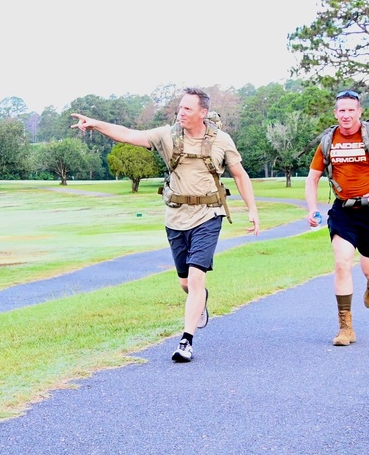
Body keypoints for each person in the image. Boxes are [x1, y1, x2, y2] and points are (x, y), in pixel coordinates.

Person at [71, 87, 260, 363]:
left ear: (202, 113)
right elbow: (129, 135)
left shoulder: (221, 140)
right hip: (175, 217)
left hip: (208, 215)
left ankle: (186, 341)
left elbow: (240, 175)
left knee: (196, 276)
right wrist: (96, 124)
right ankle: (199, 300)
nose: (181, 113)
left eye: (187, 109)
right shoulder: (167, 135)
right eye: (180, 108)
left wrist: (252, 209)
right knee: (186, 282)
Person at [304, 90, 369, 346]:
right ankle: (346, 328)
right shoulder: (329, 141)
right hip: (343, 211)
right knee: (342, 263)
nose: (346, 115)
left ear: (359, 112)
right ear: (335, 113)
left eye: (351, 110)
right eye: (342, 110)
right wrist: (311, 208)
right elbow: (313, 177)